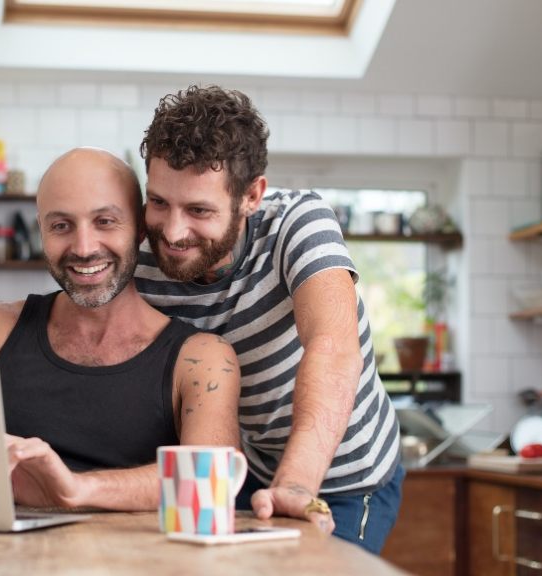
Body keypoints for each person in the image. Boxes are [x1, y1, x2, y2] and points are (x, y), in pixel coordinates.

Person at [135, 86, 403, 553]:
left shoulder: (298, 223)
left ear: (251, 195)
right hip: (250, 468)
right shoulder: (143, 253)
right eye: (159, 202)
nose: (173, 233)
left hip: (346, 474)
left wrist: (297, 484)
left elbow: (333, 348)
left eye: (199, 210)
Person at [0, 147, 241, 511]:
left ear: (140, 230)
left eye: (105, 221)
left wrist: (74, 488)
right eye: (60, 226)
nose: (84, 248)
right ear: (41, 231)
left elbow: (211, 487)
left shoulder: (202, 359)